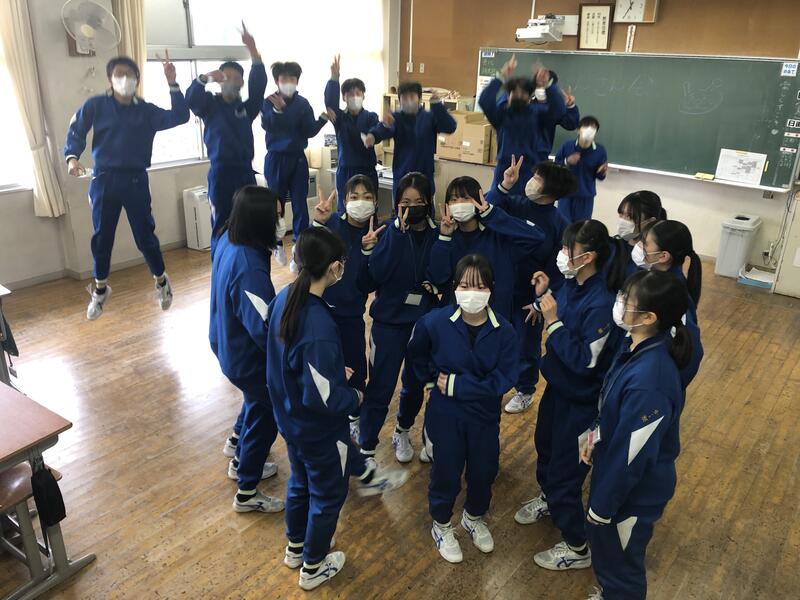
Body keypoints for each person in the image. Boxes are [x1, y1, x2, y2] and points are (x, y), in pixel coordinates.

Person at [266, 227, 408, 591]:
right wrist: (353, 396)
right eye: (342, 262)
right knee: (328, 495)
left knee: (300, 482)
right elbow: (325, 398)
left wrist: (329, 372)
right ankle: (313, 566)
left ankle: (296, 548)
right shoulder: (317, 324)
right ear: (333, 268)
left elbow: (292, 362)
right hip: (319, 429)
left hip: (290, 420)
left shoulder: (284, 298)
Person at [516, 220, 627, 573]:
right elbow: (561, 308)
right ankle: (549, 499)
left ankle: (577, 546)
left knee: (567, 471)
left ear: (588, 256)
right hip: (558, 389)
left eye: (568, 249)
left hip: (581, 402)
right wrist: (544, 297)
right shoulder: (571, 283)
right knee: (546, 448)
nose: (562, 254)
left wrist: (553, 322)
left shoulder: (602, 302)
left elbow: (585, 360)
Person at [582, 270, 692, 600]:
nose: (619, 303)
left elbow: (632, 456)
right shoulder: (637, 347)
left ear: (648, 317)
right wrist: (594, 435)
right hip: (615, 477)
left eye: (626, 300)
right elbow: (612, 404)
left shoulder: (650, 380)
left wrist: (602, 507)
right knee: (609, 556)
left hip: (632, 493)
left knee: (621, 567)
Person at [408, 254, 519, 563]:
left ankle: (473, 517)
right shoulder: (435, 322)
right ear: (455, 287)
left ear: (491, 289)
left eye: (480, 286)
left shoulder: (505, 331)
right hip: (446, 415)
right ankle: (442, 524)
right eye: (465, 285)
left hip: (484, 417)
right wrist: (430, 384)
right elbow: (417, 355)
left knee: (484, 470)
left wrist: (459, 385)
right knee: (445, 471)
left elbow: (505, 377)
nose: (473, 293)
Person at [65, 53, 189, 320]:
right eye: (119, 74)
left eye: (130, 75)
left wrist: (172, 83)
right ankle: (100, 290)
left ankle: (162, 282)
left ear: (138, 80)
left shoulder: (146, 111)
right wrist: (72, 157)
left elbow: (180, 116)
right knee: (102, 237)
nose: (125, 79)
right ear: (110, 79)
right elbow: (76, 129)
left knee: (145, 235)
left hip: (135, 179)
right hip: (104, 179)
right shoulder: (96, 105)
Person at [209, 186, 283, 514]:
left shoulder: (229, 238)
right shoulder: (249, 267)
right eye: (276, 217)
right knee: (267, 412)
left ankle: (237, 447)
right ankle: (247, 488)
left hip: (224, 338)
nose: (280, 223)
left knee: (254, 398)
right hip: (245, 355)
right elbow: (264, 327)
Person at [359, 172, 439, 465]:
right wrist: (396, 234)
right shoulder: (386, 231)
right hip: (389, 323)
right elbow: (375, 276)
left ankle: (402, 430)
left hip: (423, 323)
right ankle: (367, 447)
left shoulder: (438, 233)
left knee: (415, 384)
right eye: (406, 201)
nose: (412, 207)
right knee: (380, 386)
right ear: (397, 203)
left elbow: (443, 273)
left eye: (419, 201)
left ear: (428, 202)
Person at [486, 157, 574, 414]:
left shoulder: (559, 224)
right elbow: (488, 208)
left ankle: (525, 389)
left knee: (526, 344)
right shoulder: (516, 203)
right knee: (495, 336)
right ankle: (493, 377)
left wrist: (539, 302)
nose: (531, 181)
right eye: (533, 176)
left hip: (529, 297)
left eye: (537, 178)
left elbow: (558, 271)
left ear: (551, 190)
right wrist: (504, 185)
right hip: (501, 288)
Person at [311, 175, 385, 440]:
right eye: (354, 197)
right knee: (326, 364)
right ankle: (328, 414)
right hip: (323, 312)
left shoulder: (378, 232)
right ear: (344, 200)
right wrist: (318, 223)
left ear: (375, 202)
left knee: (355, 366)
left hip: (353, 314)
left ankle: (354, 416)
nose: (360, 202)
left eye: (367, 197)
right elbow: (307, 255)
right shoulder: (331, 223)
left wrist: (368, 252)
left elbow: (371, 281)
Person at [186, 23, 267, 254]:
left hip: (245, 173)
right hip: (220, 174)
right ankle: (220, 264)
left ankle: (247, 262)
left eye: (235, 77)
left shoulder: (247, 108)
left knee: (249, 221)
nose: (231, 80)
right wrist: (204, 78)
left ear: (241, 82)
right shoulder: (209, 105)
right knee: (222, 223)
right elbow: (191, 100)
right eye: (226, 76)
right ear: (219, 81)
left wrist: (254, 51)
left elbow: (259, 85)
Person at [428, 176, 544, 324]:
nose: (459, 204)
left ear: (479, 201)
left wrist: (492, 215)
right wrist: (444, 238)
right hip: (455, 320)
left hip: (495, 320)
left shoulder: (498, 235)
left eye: (466, 199)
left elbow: (537, 237)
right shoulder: (446, 237)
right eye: (454, 200)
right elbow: (437, 279)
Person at [261, 61, 330, 265]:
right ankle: (276, 244)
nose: (288, 82)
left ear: (297, 81)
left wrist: (322, 120)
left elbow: (308, 130)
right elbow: (268, 125)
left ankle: (298, 248)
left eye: (292, 78)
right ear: (277, 81)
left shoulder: (303, 104)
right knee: (276, 204)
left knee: (300, 203)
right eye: (284, 79)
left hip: (298, 158)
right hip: (276, 158)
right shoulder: (269, 101)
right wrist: (278, 110)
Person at [478, 55, 566, 195]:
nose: (518, 95)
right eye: (514, 92)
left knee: (528, 206)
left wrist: (548, 84)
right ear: (508, 95)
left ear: (529, 96)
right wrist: (501, 77)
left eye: (523, 92)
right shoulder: (501, 114)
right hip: (504, 172)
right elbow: (484, 101)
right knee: (499, 205)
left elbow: (559, 110)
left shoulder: (539, 114)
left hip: (532, 173)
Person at [632, 220, 704, 388]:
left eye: (645, 244)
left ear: (663, 256)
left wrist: (668, 387)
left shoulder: (672, 294)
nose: (639, 247)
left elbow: (693, 351)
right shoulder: (655, 280)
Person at [364, 82, 456, 199]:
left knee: (425, 208)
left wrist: (437, 105)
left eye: (412, 97)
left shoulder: (429, 117)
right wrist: (381, 128)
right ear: (399, 100)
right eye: (404, 98)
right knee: (401, 208)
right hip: (402, 177)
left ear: (419, 98)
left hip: (424, 177)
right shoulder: (396, 118)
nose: (408, 101)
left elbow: (450, 127)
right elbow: (382, 133)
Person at [324, 55, 380, 213]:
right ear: (344, 97)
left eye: (358, 93)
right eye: (350, 94)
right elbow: (330, 103)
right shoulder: (339, 118)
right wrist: (334, 78)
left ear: (363, 95)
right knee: (345, 210)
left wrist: (371, 137)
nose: (354, 97)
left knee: (369, 209)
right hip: (346, 170)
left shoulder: (371, 117)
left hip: (367, 169)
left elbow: (377, 132)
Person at [554, 116, 608, 223]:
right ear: (578, 130)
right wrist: (567, 161)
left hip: (585, 197)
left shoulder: (600, 150)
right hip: (565, 195)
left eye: (593, 128)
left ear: (596, 132)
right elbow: (554, 168)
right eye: (586, 126)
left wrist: (602, 172)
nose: (589, 130)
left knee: (581, 228)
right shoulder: (567, 146)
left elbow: (600, 177)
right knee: (562, 225)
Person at [615, 191, 667, 281]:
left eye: (629, 217)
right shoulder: (615, 245)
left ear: (650, 221)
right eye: (621, 214)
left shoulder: (655, 255)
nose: (622, 221)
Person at [534, 79, 581, 164]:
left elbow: (571, 124)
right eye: (540, 85)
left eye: (546, 85)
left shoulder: (554, 108)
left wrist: (570, 106)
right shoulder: (522, 102)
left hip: (540, 157)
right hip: (516, 154)